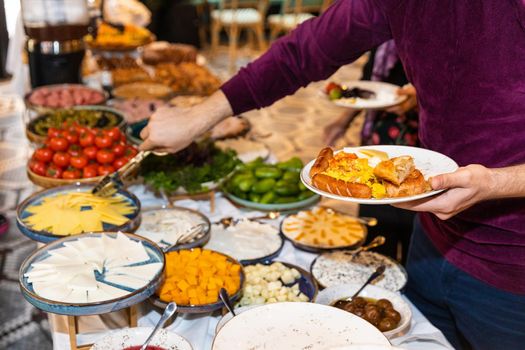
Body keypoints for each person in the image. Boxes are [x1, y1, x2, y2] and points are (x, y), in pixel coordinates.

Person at [140, 1, 525, 349]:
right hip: (431, 238)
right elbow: (305, 51)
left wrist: (497, 182)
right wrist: (197, 117)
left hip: (512, 272)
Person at [324, 41, 419, 263]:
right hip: (377, 139)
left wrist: (420, 95)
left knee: (411, 222)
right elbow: (369, 85)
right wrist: (343, 121)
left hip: (418, 142)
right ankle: (374, 281)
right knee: (375, 217)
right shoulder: (387, 27)